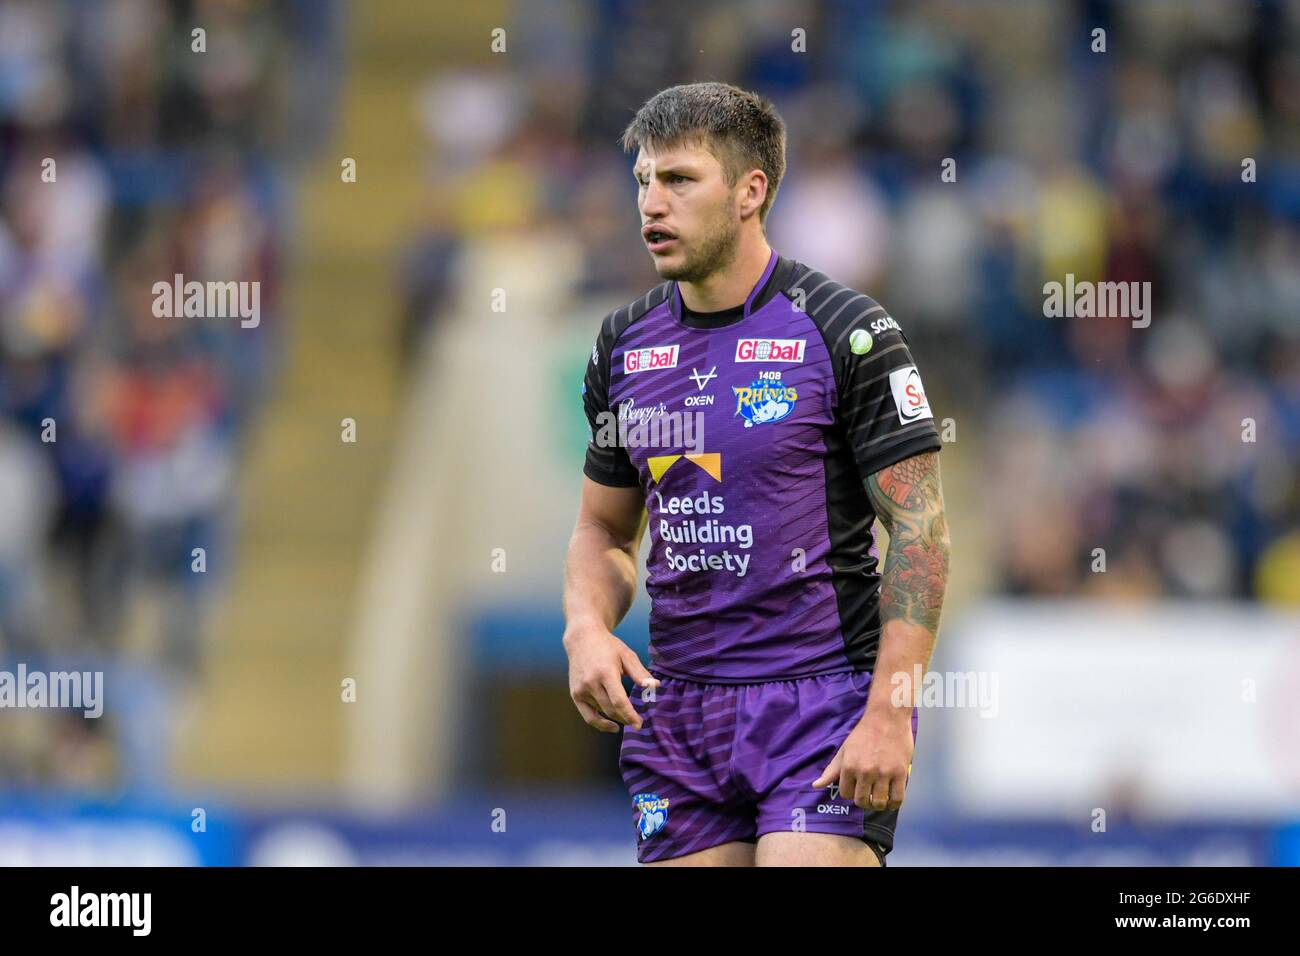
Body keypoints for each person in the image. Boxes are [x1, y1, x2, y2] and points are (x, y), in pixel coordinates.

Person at [563, 82, 951, 866]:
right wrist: (585, 630)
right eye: (643, 179)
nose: (651, 203)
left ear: (750, 191)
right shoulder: (622, 347)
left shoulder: (848, 331)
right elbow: (604, 528)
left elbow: (921, 531)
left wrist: (889, 712)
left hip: (821, 706)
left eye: (678, 180)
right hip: (677, 715)